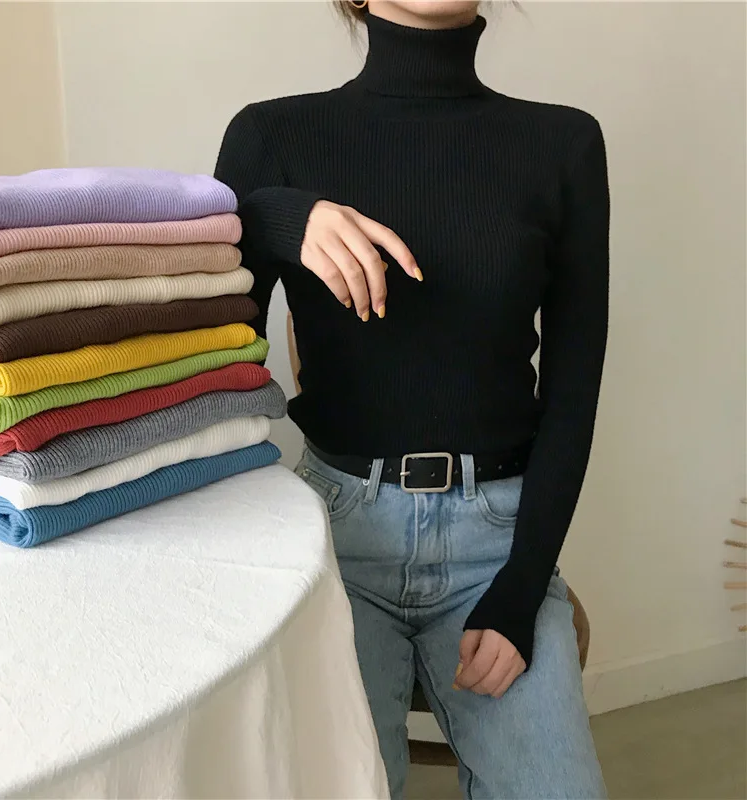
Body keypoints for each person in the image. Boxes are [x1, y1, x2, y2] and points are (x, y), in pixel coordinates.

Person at [215, 1, 609, 796]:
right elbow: (209, 361)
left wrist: (522, 587)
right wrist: (272, 217)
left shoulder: (563, 142)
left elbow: (574, 391)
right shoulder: (272, 135)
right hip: (331, 542)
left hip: (501, 539)